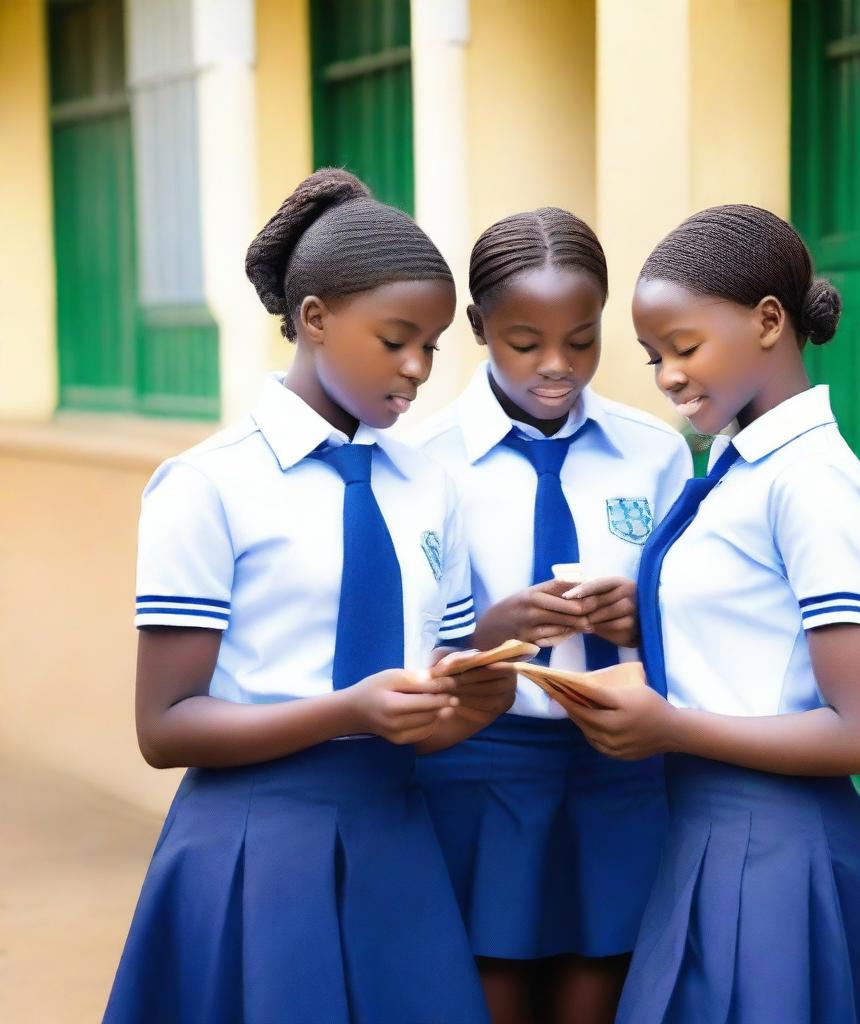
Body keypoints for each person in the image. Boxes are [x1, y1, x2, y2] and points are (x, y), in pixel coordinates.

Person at [103, 168, 514, 1024]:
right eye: (397, 338)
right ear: (315, 318)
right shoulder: (206, 486)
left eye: (433, 346)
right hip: (254, 848)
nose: (417, 369)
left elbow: (428, 700)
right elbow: (165, 725)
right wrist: (347, 712)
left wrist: (473, 703)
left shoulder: (431, 486)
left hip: (398, 843)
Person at [560, 204, 860, 1023]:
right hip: (704, 833)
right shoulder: (737, 462)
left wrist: (669, 726)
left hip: (778, 853)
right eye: (654, 358)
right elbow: (755, 636)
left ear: (768, 321)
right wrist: (639, 617)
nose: (669, 377)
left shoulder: (811, 483)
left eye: (685, 348)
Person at [413, 207, 692, 1024]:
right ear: (477, 328)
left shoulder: (655, 450)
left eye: (582, 338)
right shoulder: (424, 462)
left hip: (621, 770)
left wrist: (640, 617)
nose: (557, 365)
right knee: (490, 993)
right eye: (524, 341)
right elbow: (400, 642)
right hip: (480, 769)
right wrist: (486, 633)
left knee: (602, 989)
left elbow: (691, 614)